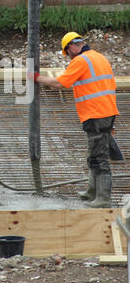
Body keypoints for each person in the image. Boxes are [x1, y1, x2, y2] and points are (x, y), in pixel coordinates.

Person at [29, 32, 119, 208]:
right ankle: (92, 192)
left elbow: (59, 83)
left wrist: (36, 78)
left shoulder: (80, 61)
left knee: (98, 157)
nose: (68, 56)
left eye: (67, 52)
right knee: (94, 153)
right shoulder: (99, 57)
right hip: (107, 111)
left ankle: (103, 199)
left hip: (96, 114)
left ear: (70, 47)